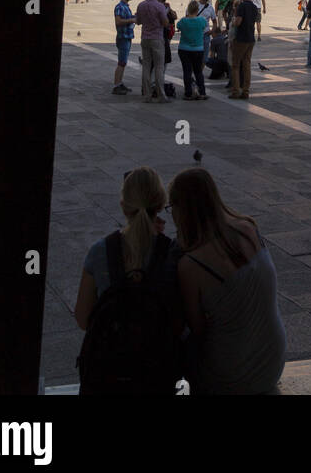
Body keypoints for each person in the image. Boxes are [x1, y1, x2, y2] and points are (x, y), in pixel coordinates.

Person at [169, 167, 286, 395]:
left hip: (231, 379)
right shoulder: (249, 228)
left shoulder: (191, 264)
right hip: (272, 364)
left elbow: (197, 329)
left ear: (181, 210)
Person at [75, 167, 183, 395]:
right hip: (155, 381)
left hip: (106, 382)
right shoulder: (174, 254)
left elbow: (83, 319)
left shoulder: (99, 251)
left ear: (123, 205)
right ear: (162, 204)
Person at [137, 0, 173, 103]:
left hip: (145, 38)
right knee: (159, 67)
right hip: (157, 38)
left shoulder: (141, 5)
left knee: (146, 67)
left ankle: (147, 95)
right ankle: (161, 95)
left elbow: (138, 21)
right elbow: (166, 23)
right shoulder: (159, 6)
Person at [229, 0, 259, 100]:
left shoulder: (242, 6)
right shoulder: (254, 7)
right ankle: (246, 91)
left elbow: (238, 22)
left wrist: (233, 21)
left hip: (241, 38)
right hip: (251, 38)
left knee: (235, 65)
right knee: (247, 64)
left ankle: (236, 91)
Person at [177, 1, 208, 101]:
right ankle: (202, 92)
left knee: (187, 72)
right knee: (198, 71)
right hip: (198, 49)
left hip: (184, 49)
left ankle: (188, 93)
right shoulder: (202, 20)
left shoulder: (183, 21)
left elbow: (178, 26)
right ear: (197, 10)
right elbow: (204, 27)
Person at [112, 0, 135, 95]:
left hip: (127, 36)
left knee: (124, 62)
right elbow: (118, 21)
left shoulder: (125, 6)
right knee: (121, 62)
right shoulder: (120, 7)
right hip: (123, 37)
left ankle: (120, 83)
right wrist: (132, 19)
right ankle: (116, 85)